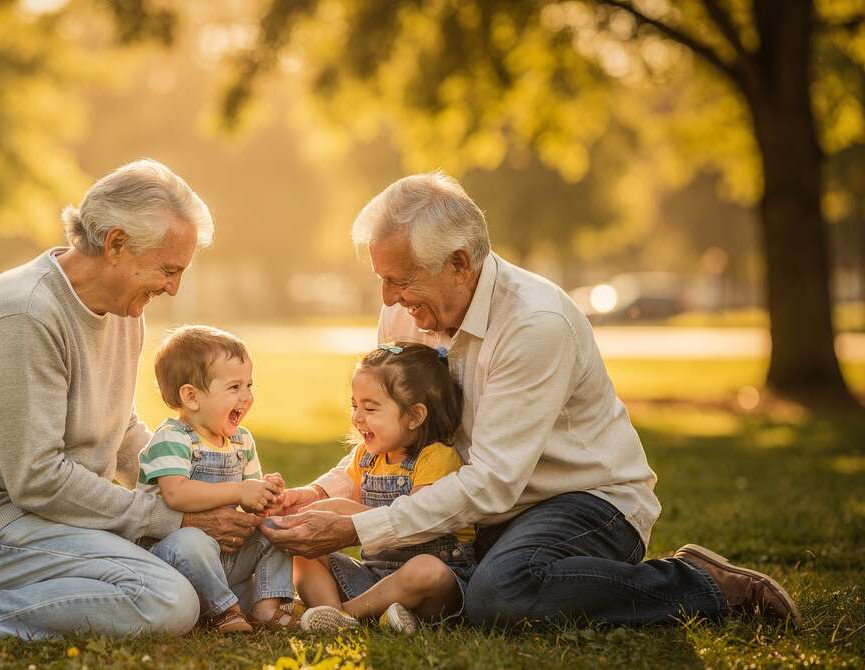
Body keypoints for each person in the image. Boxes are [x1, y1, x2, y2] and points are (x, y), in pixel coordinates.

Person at [264, 172, 800, 628]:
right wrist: (319, 492)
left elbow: (495, 482)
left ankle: (702, 585)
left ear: (459, 262)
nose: (387, 300)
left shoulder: (533, 323)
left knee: (500, 595)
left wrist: (358, 527)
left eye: (399, 280)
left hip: (584, 499)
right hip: (483, 511)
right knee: (455, 585)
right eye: (382, 279)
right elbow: (392, 432)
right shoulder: (408, 312)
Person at [0, 159, 262, 645]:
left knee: (209, 565)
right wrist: (168, 516)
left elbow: (121, 428)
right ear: (116, 245)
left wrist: (187, 478)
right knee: (168, 600)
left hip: (62, 517)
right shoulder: (24, 317)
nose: (173, 287)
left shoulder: (123, 308)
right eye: (168, 269)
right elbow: (37, 478)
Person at [289, 343, 471, 635]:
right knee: (305, 550)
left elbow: (415, 523)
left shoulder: (436, 457)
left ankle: (344, 614)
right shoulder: (366, 456)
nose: (357, 417)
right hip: (373, 579)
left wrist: (339, 512)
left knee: (426, 569)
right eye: (354, 405)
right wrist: (300, 518)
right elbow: (351, 518)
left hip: (429, 586)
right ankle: (338, 614)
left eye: (370, 408)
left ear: (414, 416)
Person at [136, 325, 299, 633]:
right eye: (234, 387)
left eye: (249, 385)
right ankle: (224, 610)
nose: (247, 396)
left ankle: (267, 606)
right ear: (192, 397)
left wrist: (267, 496)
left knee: (277, 530)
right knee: (192, 541)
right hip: (173, 558)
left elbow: (252, 504)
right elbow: (176, 495)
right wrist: (239, 490)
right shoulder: (172, 438)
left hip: (226, 553)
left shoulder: (241, 441)